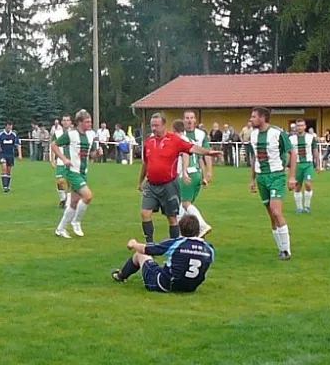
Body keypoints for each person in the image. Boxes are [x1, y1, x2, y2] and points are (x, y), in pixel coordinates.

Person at [139, 113, 222, 244]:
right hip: (151, 185)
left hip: (169, 185)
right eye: (152, 126)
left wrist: (208, 152)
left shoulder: (174, 140)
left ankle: (174, 245)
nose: (154, 128)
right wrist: (141, 181)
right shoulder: (149, 142)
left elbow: (191, 148)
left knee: (172, 218)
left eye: (157, 125)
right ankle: (150, 244)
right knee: (145, 213)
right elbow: (145, 163)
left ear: (164, 125)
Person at [111, 215, 214, 292]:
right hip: (191, 288)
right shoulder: (209, 249)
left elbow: (147, 249)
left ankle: (121, 276)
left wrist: (134, 244)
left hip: (165, 285)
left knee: (140, 255)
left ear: (181, 229)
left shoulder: (177, 243)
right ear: (197, 230)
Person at [249, 107, 297, 260]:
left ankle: (286, 250)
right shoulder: (253, 135)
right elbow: (255, 158)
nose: (251, 119)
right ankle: (280, 249)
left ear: (263, 118)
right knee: (271, 215)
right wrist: (252, 179)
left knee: (276, 211)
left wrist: (291, 177)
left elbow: (292, 153)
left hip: (276, 176)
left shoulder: (278, 133)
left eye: (254, 116)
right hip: (261, 177)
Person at [52, 109, 101, 239]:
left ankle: (60, 229)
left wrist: (97, 154)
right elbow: (54, 145)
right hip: (73, 172)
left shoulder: (91, 135)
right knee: (88, 196)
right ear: (79, 122)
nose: (90, 124)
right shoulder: (71, 134)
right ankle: (76, 221)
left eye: (90, 121)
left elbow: (90, 155)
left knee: (73, 202)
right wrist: (64, 159)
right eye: (87, 122)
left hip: (83, 172)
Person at [176, 114, 212, 237]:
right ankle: (182, 233)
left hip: (189, 173)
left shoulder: (183, 139)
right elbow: (200, 158)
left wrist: (184, 172)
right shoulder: (190, 140)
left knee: (185, 203)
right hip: (196, 172)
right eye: (187, 118)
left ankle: (202, 225)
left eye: (191, 118)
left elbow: (187, 155)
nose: (189, 120)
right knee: (183, 204)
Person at [289, 119, 321, 213]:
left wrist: (318, 165)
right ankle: (299, 207)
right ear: (296, 127)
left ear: (305, 126)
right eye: (298, 126)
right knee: (297, 186)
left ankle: (307, 206)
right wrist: (287, 166)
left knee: (308, 184)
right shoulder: (291, 139)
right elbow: (288, 153)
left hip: (308, 164)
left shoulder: (311, 138)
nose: (300, 127)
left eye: (301, 125)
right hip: (296, 165)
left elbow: (315, 151)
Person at [0, 121, 22, 192]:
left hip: (10, 155)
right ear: (5, 126)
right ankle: (5, 186)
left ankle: (8, 186)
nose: (9, 127)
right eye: (8, 126)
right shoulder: (0, 134)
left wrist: (20, 154)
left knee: (9, 171)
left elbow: (18, 145)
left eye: (11, 126)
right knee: (4, 168)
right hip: (2, 154)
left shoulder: (14, 134)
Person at [51, 114, 73, 208]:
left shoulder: (74, 133)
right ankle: (63, 198)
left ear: (71, 122)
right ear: (62, 122)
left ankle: (68, 202)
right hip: (60, 160)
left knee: (70, 182)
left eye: (68, 120)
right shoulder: (57, 133)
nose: (66, 122)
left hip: (71, 161)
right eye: (64, 120)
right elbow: (52, 146)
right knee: (59, 182)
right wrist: (53, 159)